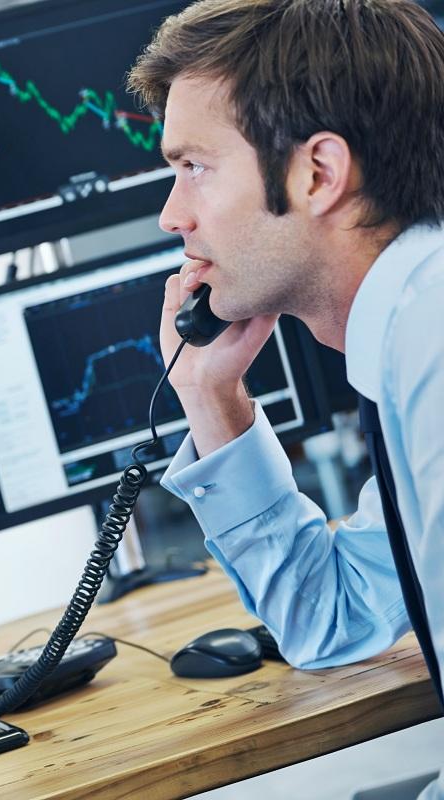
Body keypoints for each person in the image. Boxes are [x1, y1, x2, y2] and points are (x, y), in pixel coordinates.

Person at [128, 0, 443, 796]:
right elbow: (332, 618)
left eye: (194, 166)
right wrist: (210, 392)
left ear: (318, 174)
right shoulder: (410, 332)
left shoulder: (433, 337)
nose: (174, 215)